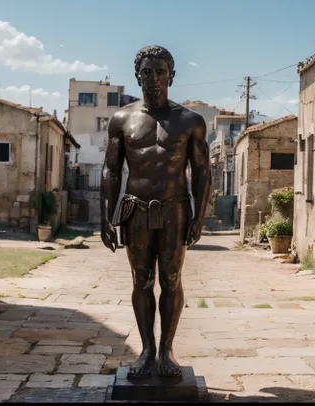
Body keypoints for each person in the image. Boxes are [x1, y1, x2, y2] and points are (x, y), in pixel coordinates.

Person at [100, 45, 211, 378]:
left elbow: (202, 170)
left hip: (175, 209)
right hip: (135, 210)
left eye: (160, 71)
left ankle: (167, 352)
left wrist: (199, 216)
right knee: (142, 280)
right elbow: (111, 170)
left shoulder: (190, 121)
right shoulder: (121, 119)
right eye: (146, 71)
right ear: (137, 76)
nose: (153, 78)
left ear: (171, 77)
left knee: (172, 278)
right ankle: (147, 350)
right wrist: (106, 216)